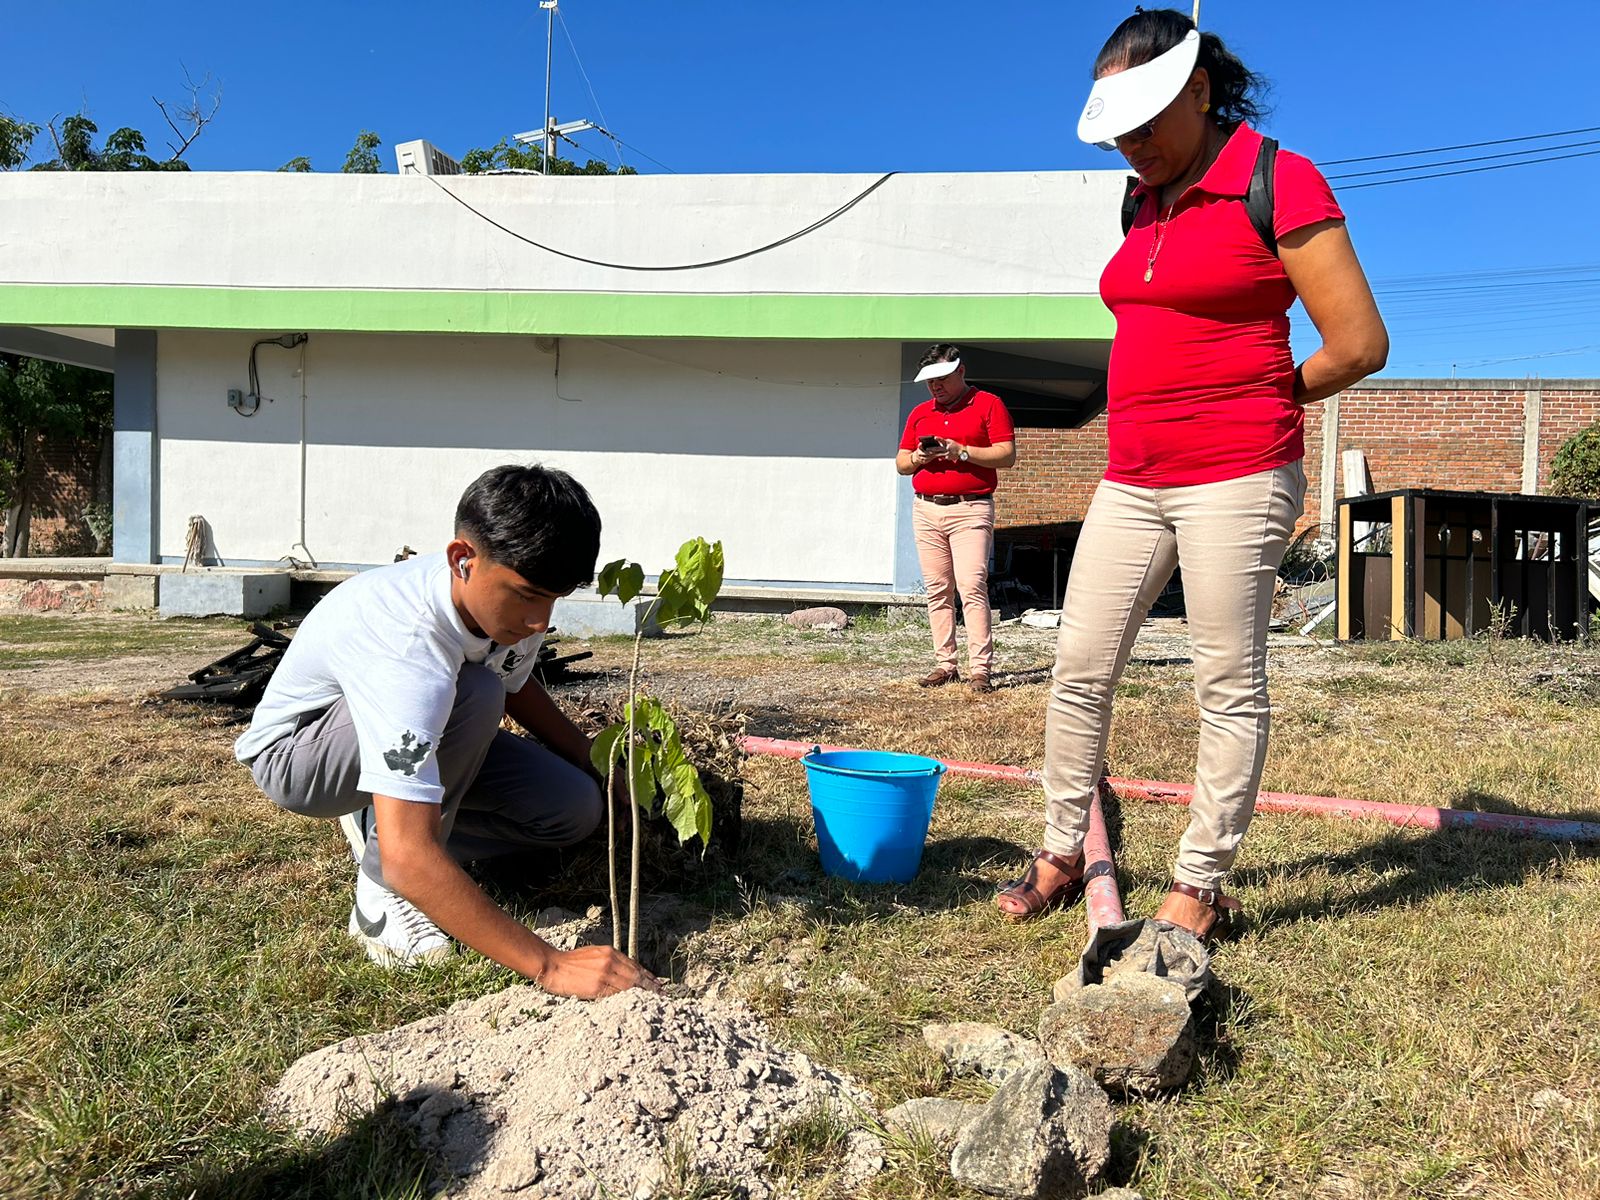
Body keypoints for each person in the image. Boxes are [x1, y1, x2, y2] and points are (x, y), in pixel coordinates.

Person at [996, 9, 1387, 937]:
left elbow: (1361, 342)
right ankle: (1060, 849)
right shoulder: (1145, 199)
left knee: (1226, 681)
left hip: (1237, 474)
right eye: (1118, 134)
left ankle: (1199, 883)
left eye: (1146, 125)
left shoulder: (1275, 180)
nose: (1131, 148)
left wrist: (1265, 393)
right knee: (1079, 666)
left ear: (1199, 91)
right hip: (1131, 474)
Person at [235, 464, 659, 998]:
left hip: (419, 728)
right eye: (528, 595)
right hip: (302, 757)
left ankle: (388, 816)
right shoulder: (407, 644)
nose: (540, 622)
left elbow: (518, 684)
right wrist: (550, 965)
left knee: (573, 808)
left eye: (556, 598)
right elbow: (484, 694)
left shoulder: (507, 606)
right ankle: (380, 891)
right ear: (463, 559)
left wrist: (594, 761)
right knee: (474, 696)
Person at [896, 343, 1018, 693]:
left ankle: (980, 669)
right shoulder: (921, 412)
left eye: (942, 378)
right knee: (937, 589)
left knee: (972, 586)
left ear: (961, 371)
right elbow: (901, 464)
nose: (935, 386)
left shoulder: (988, 404)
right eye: (930, 381)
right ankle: (945, 664)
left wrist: (960, 452)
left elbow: (1006, 454)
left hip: (970, 507)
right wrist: (920, 457)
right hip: (927, 507)